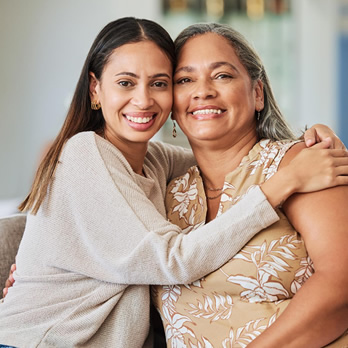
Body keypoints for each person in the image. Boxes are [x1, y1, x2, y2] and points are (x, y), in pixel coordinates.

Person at [0, 17, 346, 348]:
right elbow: (172, 260)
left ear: (258, 93)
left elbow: (226, 157)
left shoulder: (160, 164)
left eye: (160, 83)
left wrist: (310, 141)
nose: (143, 99)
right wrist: (283, 183)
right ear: (95, 89)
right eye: (185, 80)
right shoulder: (88, 154)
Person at [152, 23, 348, 347]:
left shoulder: (302, 163)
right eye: (185, 80)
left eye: (222, 75)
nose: (203, 91)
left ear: (257, 93)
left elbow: (342, 283)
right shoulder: (167, 193)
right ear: (171, 105)